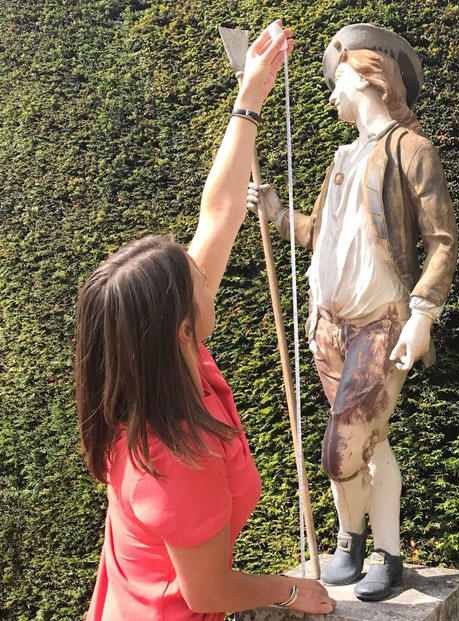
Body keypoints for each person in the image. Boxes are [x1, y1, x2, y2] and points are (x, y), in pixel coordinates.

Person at [76, 22, 335, 620]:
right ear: (180, 329)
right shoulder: (174, 455)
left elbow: (218, 211)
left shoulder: (164, 367)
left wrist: (250, 97)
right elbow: (207, 592)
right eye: (195, 279)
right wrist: (289, 589)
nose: (205, 268)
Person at [247, 24, 457, 601]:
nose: (329, 96)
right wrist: (274, 211)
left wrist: (422, 315)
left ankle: (365, 546)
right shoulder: (342, 156)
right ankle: (366, 550)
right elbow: (319, 233)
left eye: (333, 81)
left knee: (341, 445)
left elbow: (442, 240)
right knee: (373, 441)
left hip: (382, 321)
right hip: (330, 324)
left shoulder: (409, 149)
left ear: (362, 76)